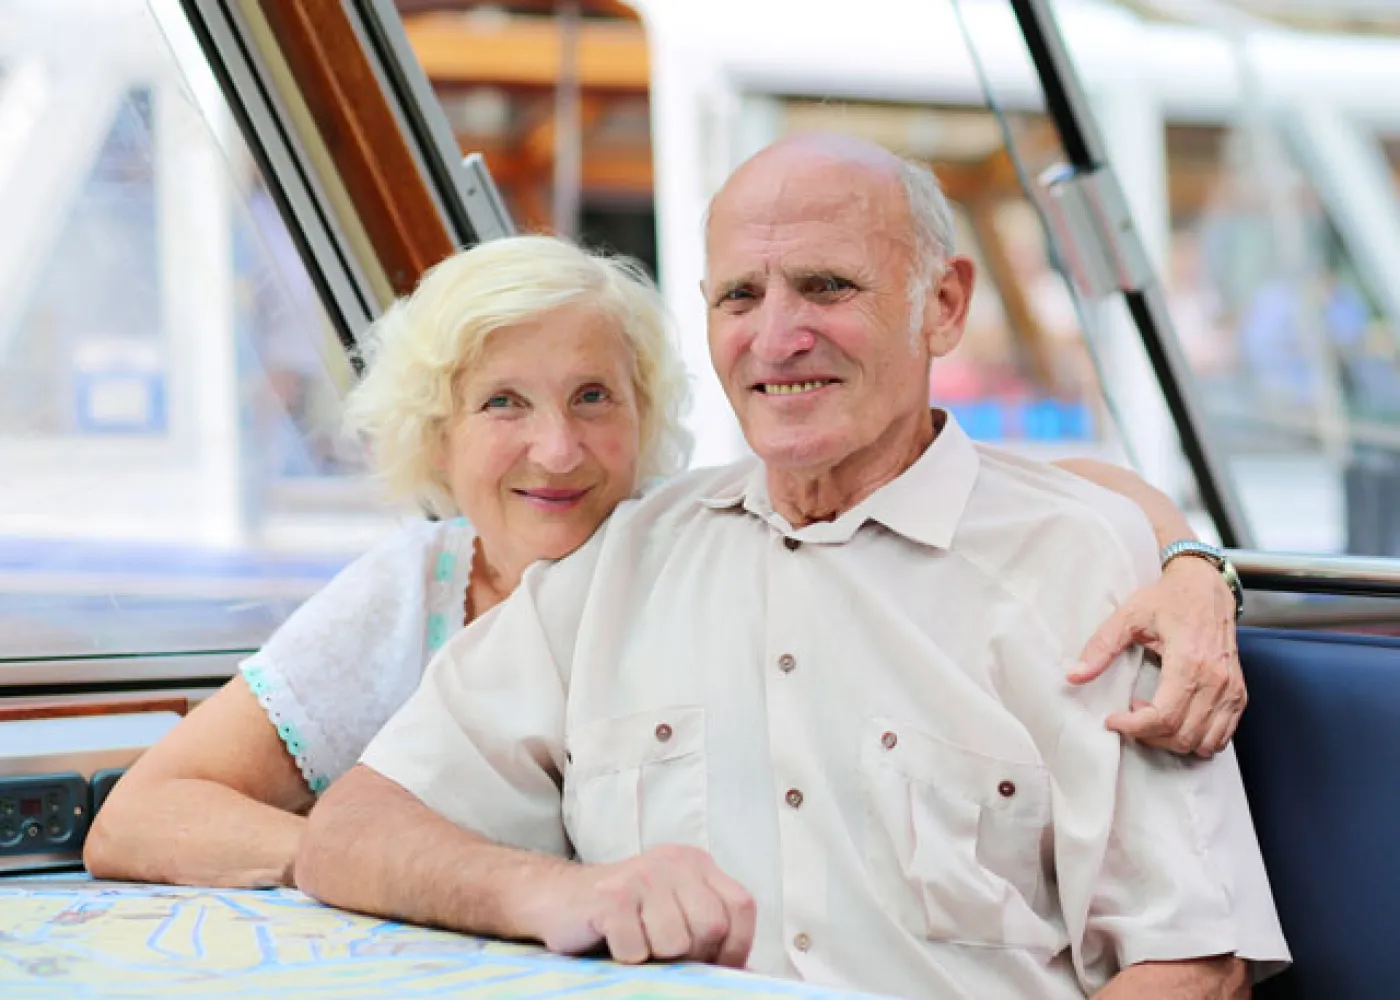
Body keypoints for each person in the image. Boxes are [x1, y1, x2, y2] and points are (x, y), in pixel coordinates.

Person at [296, 136, 1287, 999]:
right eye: (740, 295)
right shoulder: (619, 562)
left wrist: (1192, 557)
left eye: (825, 286)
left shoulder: (1083, 561)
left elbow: (1190, 966)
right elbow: (352, 830)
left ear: (941, 306)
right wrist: (551, 891)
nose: (776, 338)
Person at [86, 223, 1238, 893]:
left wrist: (1189, 565)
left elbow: (1029, 490)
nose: (557, 447)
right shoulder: (412, 591)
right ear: (436, 434)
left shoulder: (688, 539)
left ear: (646, 414)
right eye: (502, 403)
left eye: (594, 397)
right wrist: (391, 868)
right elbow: (142, 815)